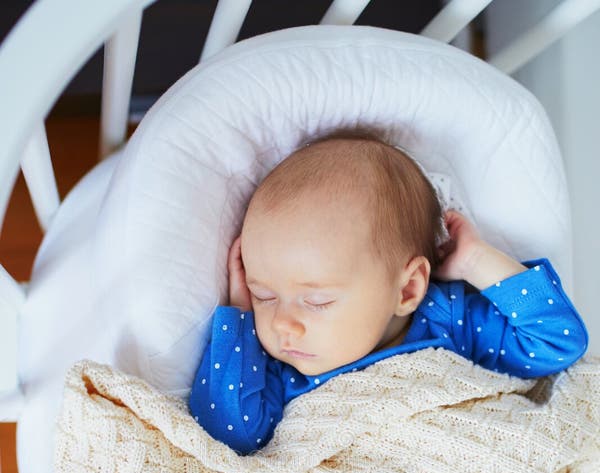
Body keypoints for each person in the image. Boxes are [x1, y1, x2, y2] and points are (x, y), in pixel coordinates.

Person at [189, 131, 588, 455]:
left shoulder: (450, 321)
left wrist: (474, 262)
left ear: (409, 288)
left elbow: (557, 342)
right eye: (265, 295)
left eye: (317, 301)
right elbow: (230, 433)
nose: (283, 325)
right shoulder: (281, 370)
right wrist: (239, 316)